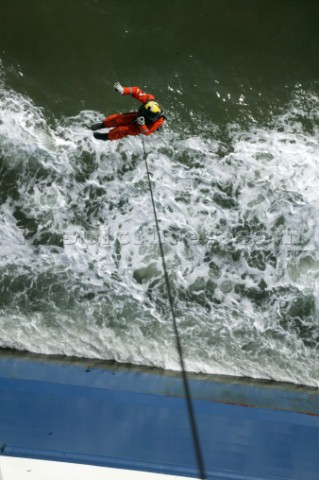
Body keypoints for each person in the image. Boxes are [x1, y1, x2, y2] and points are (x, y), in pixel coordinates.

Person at [91, 82, 165, 141]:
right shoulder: (149, 100)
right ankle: (103, 125)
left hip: (140, 127)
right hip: (136, 116)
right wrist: (123, 90)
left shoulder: (159, 121)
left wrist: (142, 125)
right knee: (118, 119)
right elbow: (136, 91)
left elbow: (147, 132)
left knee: (121, 130)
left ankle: (107, 136)